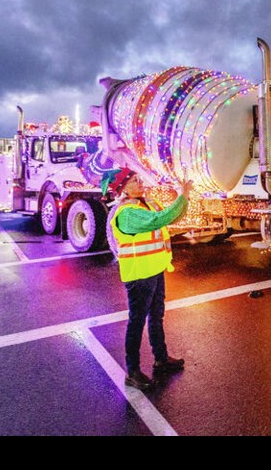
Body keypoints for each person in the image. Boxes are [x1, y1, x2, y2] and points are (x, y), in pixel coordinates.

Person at [103, 168, 192, 391]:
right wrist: (182, 195)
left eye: (139, 179)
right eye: (134, 180)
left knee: (156, 316)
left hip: (154, 269)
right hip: (139, 274)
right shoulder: (126, 212)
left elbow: (172, 218)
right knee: (137, 322)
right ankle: (132, 372)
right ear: (123, 188)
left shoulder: (144, 204)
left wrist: (185, 197)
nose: (140, 183)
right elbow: (158, 219)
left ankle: (160, 358)